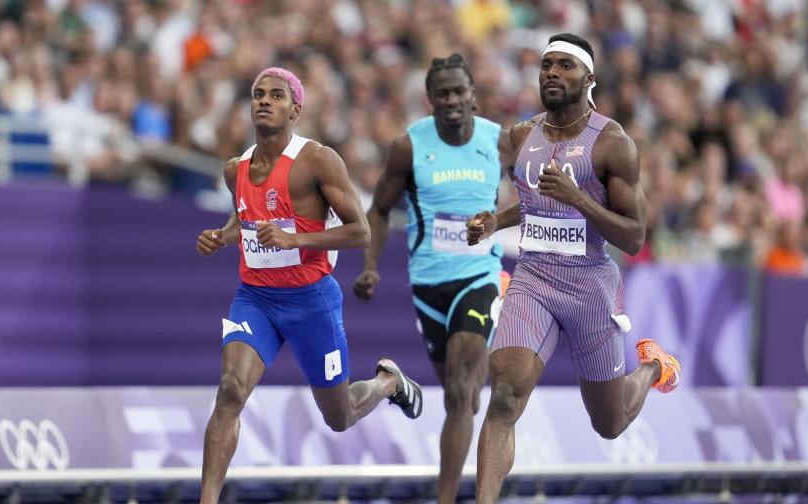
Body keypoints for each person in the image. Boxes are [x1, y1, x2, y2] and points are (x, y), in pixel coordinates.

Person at [466, 34, 681, 503]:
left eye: (564, 66)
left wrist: (579, 198)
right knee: (504, 395)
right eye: (546, 65)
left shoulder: (612, 143)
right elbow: (533, 203)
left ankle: (651, 368)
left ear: (588, 79)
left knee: (609, 424)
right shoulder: (522, 136)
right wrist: (493, 222)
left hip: (589, 286)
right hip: (533, 279)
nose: (551, 73)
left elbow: (634, 236)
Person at [195, 67, 422, 504]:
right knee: (231, 390)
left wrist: (297, 239)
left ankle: (387, 382)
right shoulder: (233, 170)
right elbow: (246, 215)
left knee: (339, 416)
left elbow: (362, 233)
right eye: (258, 94)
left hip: (310, 300)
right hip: (255, 297)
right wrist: (221, 236)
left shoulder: (318, 160)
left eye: (276, 95)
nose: (264, 100)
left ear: (295, 109)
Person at [353, 53, 512, 503]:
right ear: (430, 100)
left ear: (473, 96)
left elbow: (539, 194)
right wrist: (369, 266)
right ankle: (415, 395)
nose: (452, 100)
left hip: (478, 275)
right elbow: (379, 210)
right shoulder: (409, 145)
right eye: (442, 93)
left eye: (460, 91)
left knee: (463, 392)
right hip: (427, 284)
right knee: (460, 398)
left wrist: (500, 221)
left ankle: (445, 499)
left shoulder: (498, 142)